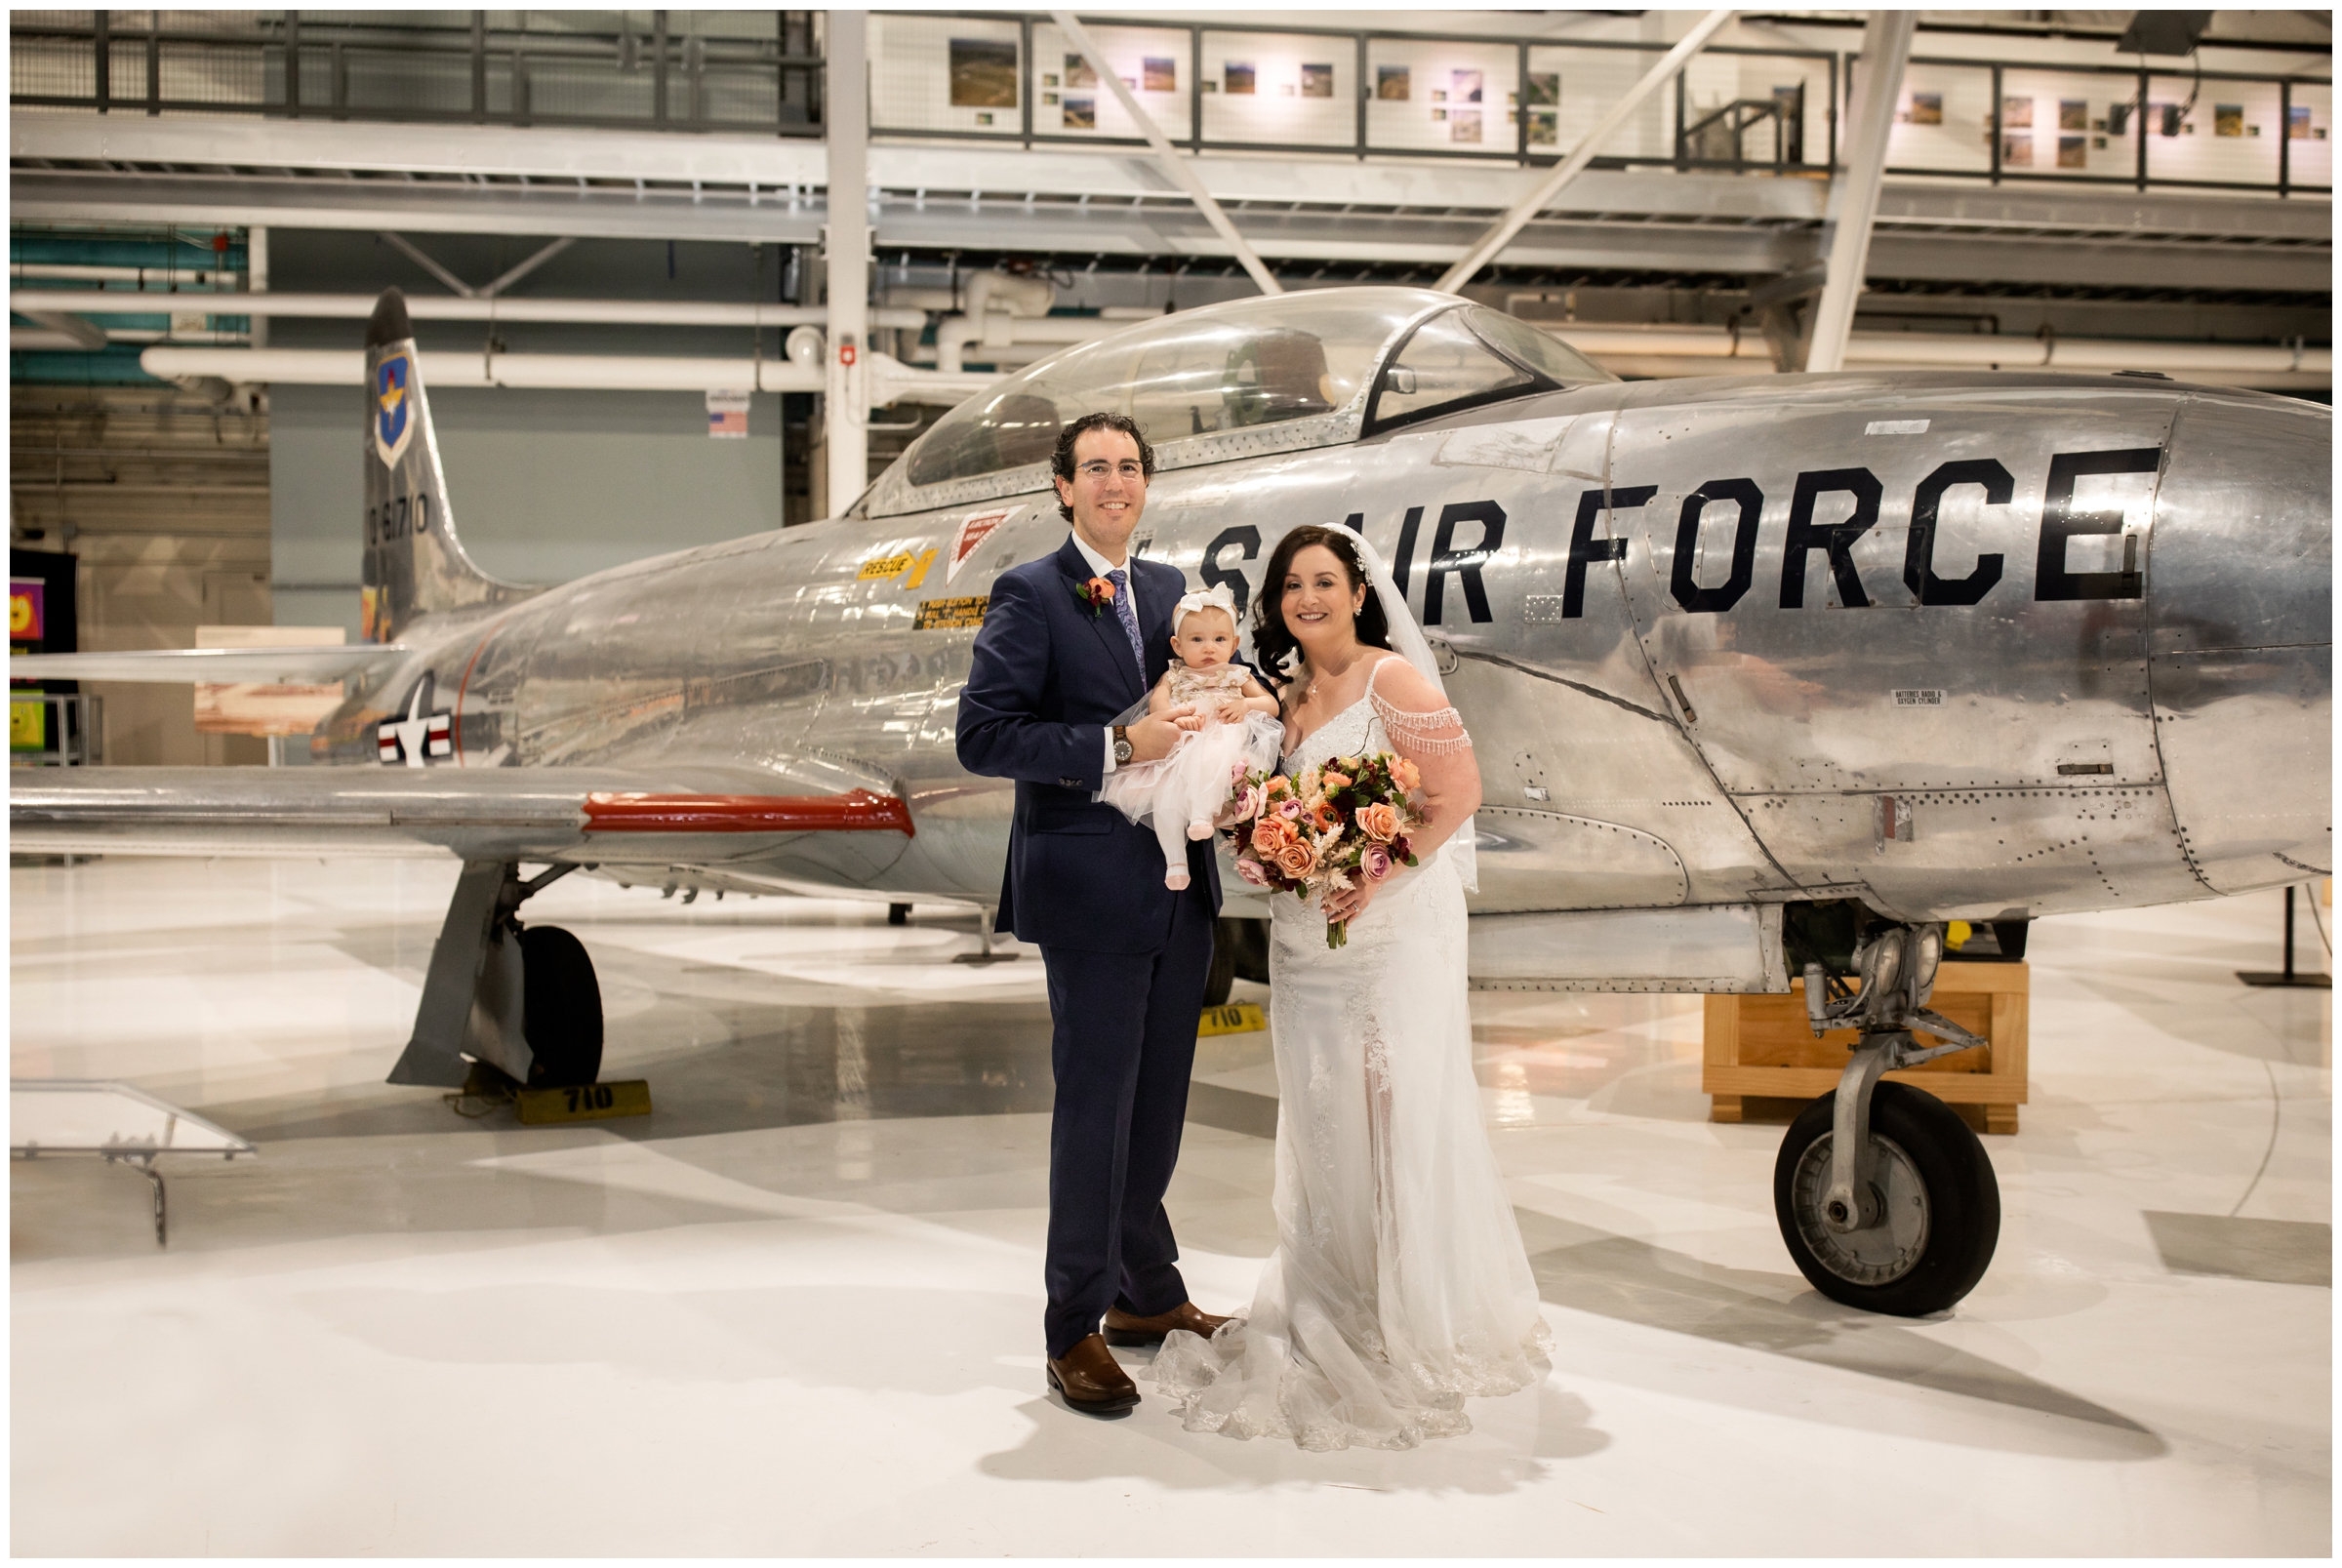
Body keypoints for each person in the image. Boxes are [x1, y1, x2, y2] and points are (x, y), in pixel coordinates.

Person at [1151, 522, 1549, 1451]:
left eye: (1324, 581)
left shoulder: (1389, 680)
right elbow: (1250, 791)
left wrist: (1364, 868)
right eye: (1292, 585)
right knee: (1322, 1118)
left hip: (1385, 929)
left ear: (1359, 592)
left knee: (1392, 1110)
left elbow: (1456, 792)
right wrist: (1262, 836)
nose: (1307, 598)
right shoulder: (1282, 693)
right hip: (1303, 938)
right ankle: (1330, 1288)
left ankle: (1404, 1310)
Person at [954, 411, 1233, 1418]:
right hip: (1088, 886)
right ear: (1064, 488)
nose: (1114, 481)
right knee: (1094, 1112)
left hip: (1179, 887)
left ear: (1146, 486)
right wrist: (1119, 744)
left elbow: (1203, 701)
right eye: (1095, 468)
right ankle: (1071, 1322)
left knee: (1155, 1109)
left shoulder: (1168, 592)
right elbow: (985, 736)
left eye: (1129, 466)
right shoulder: (1029, 591)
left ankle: (1145, 1295)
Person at [1099, 583, 1283, 890]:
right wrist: (1174, 715)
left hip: (1221, 739)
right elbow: (1158, 701)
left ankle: (1201, 815)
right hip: (1181, 741)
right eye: (1197, 639)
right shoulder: (1174, 673)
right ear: (1178, 645)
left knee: (1211, 762)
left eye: (1219, 639)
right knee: (1164, 800)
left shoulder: (1238, 674)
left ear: (1234, 642)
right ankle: (1175, 862)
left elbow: (1271, 705)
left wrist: (1245, 704)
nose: (1209, 648)